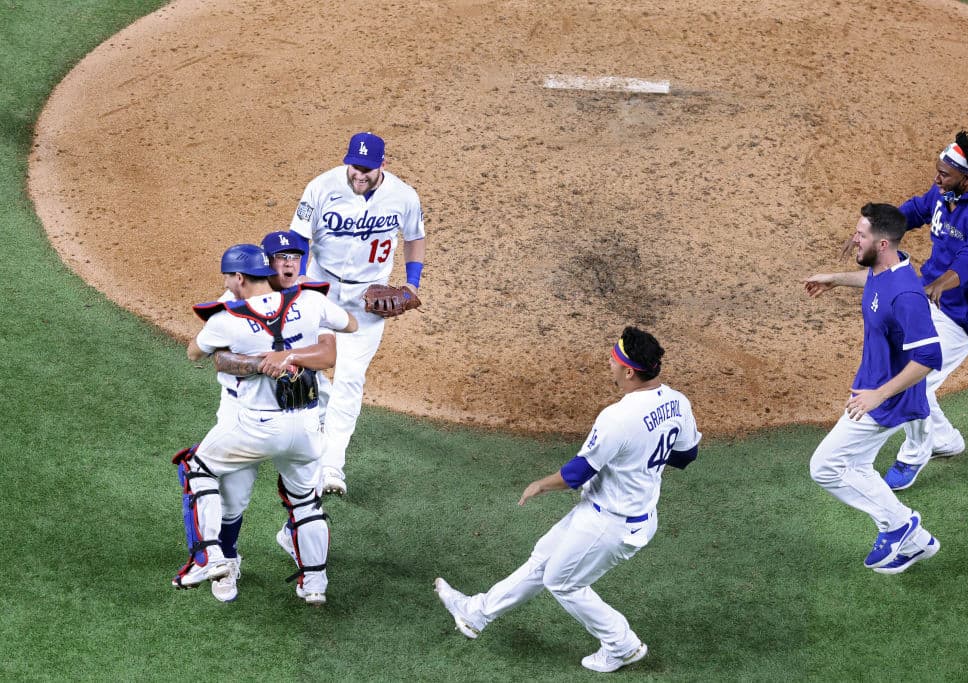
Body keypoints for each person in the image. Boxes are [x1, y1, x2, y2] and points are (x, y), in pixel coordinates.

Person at [434, 326, 702, 673]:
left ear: (630, 371)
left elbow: (577, 474)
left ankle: (621, 644)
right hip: (620, 512)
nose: (610, 363)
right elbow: (685, 456)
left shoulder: (618, 417)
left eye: (614, 359)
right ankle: (476, 614)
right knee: (543, 558)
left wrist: (541, 485)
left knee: (562, 581)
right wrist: (642, 455)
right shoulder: (677, 401)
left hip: (611, 523)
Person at [171, 243, 357, 606]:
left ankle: (209, 557)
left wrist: (253, 355)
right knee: (305, 501)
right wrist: (304, 339)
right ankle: (314, 584)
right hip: (305, 426)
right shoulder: (312, 302)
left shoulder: (227, 318)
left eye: (229, 277)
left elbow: (194, 353)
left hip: (253, 426)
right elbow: (348, 324)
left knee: (196, 468)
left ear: (239, 278)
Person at [805, 203, 943, 574]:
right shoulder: (888, 269)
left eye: (861, 235)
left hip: (885, 401)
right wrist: (836, 278)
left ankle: (899, 525)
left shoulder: (907, 295)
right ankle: (913, 541)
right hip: (872, 391)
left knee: (825, 467)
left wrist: (879, 395)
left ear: (882, 243)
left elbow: (929, 356)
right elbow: (874, 282)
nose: (854, 239)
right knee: (860, 466)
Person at [288, 131, 426, 496]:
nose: (358, 175)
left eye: (366, 169)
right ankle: (320, 406)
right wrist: (299, 276)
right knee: (303, 367)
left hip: (368, 299)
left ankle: (332, 467)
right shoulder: (320, 187)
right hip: (321, 290)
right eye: (354, 166)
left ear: (382, 165)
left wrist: (412, 284)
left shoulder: (403, 196)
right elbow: (299, 236)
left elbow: (414, 237)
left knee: (350, 380)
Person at [880, 131, 968, 489]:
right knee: (903, 368)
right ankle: (946, 441)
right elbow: (916, 210)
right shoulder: (946, 195)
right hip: (934, 302)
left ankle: (915, 452)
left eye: (944, 174)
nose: (937, 179)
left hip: (966, 315)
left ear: (967, 180)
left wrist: (942, 282)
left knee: (914, 380)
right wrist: (881, 230)